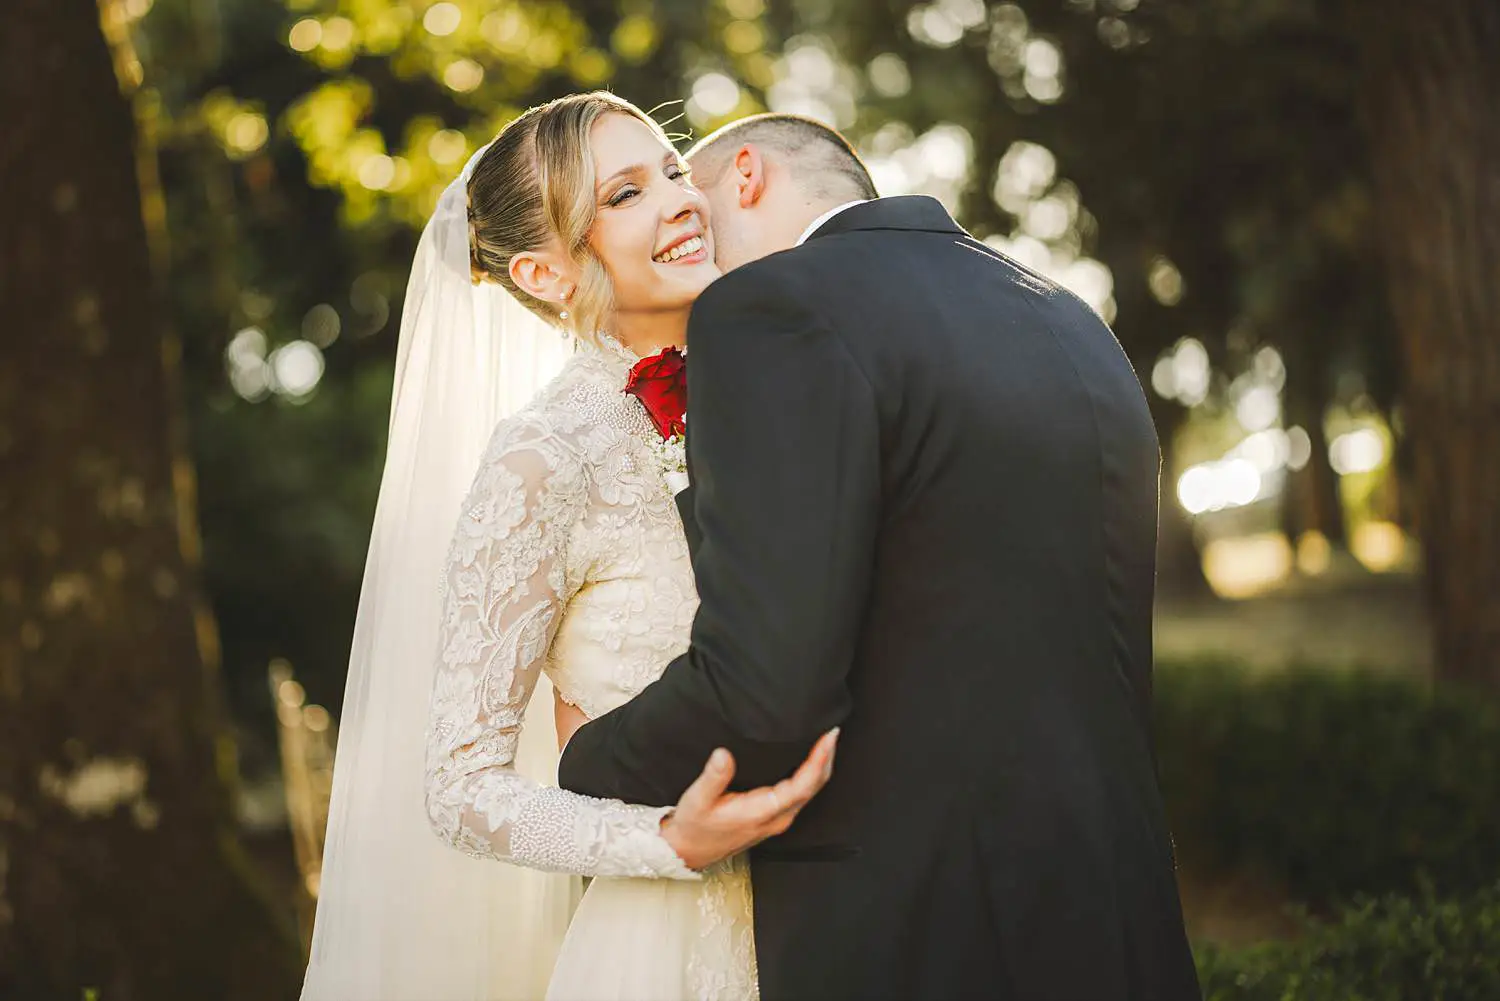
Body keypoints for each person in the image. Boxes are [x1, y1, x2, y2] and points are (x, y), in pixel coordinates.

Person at [557, 111, 1204, 1000]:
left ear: (745, 176)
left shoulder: (771, 308)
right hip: (1118, 904)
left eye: (689, 198)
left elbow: (768, 692)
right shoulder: (1066, 317)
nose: (687, 242)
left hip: (916, 927)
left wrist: (582, 767)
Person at [301, 93, 833, 1001]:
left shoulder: (793, 393)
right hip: (672, 941)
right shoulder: (544, 461)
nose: (680, 200)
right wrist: (664, 838)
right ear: (544, 275)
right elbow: (460, 786)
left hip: (842, 913)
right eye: (625, 196)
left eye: (671, 170)